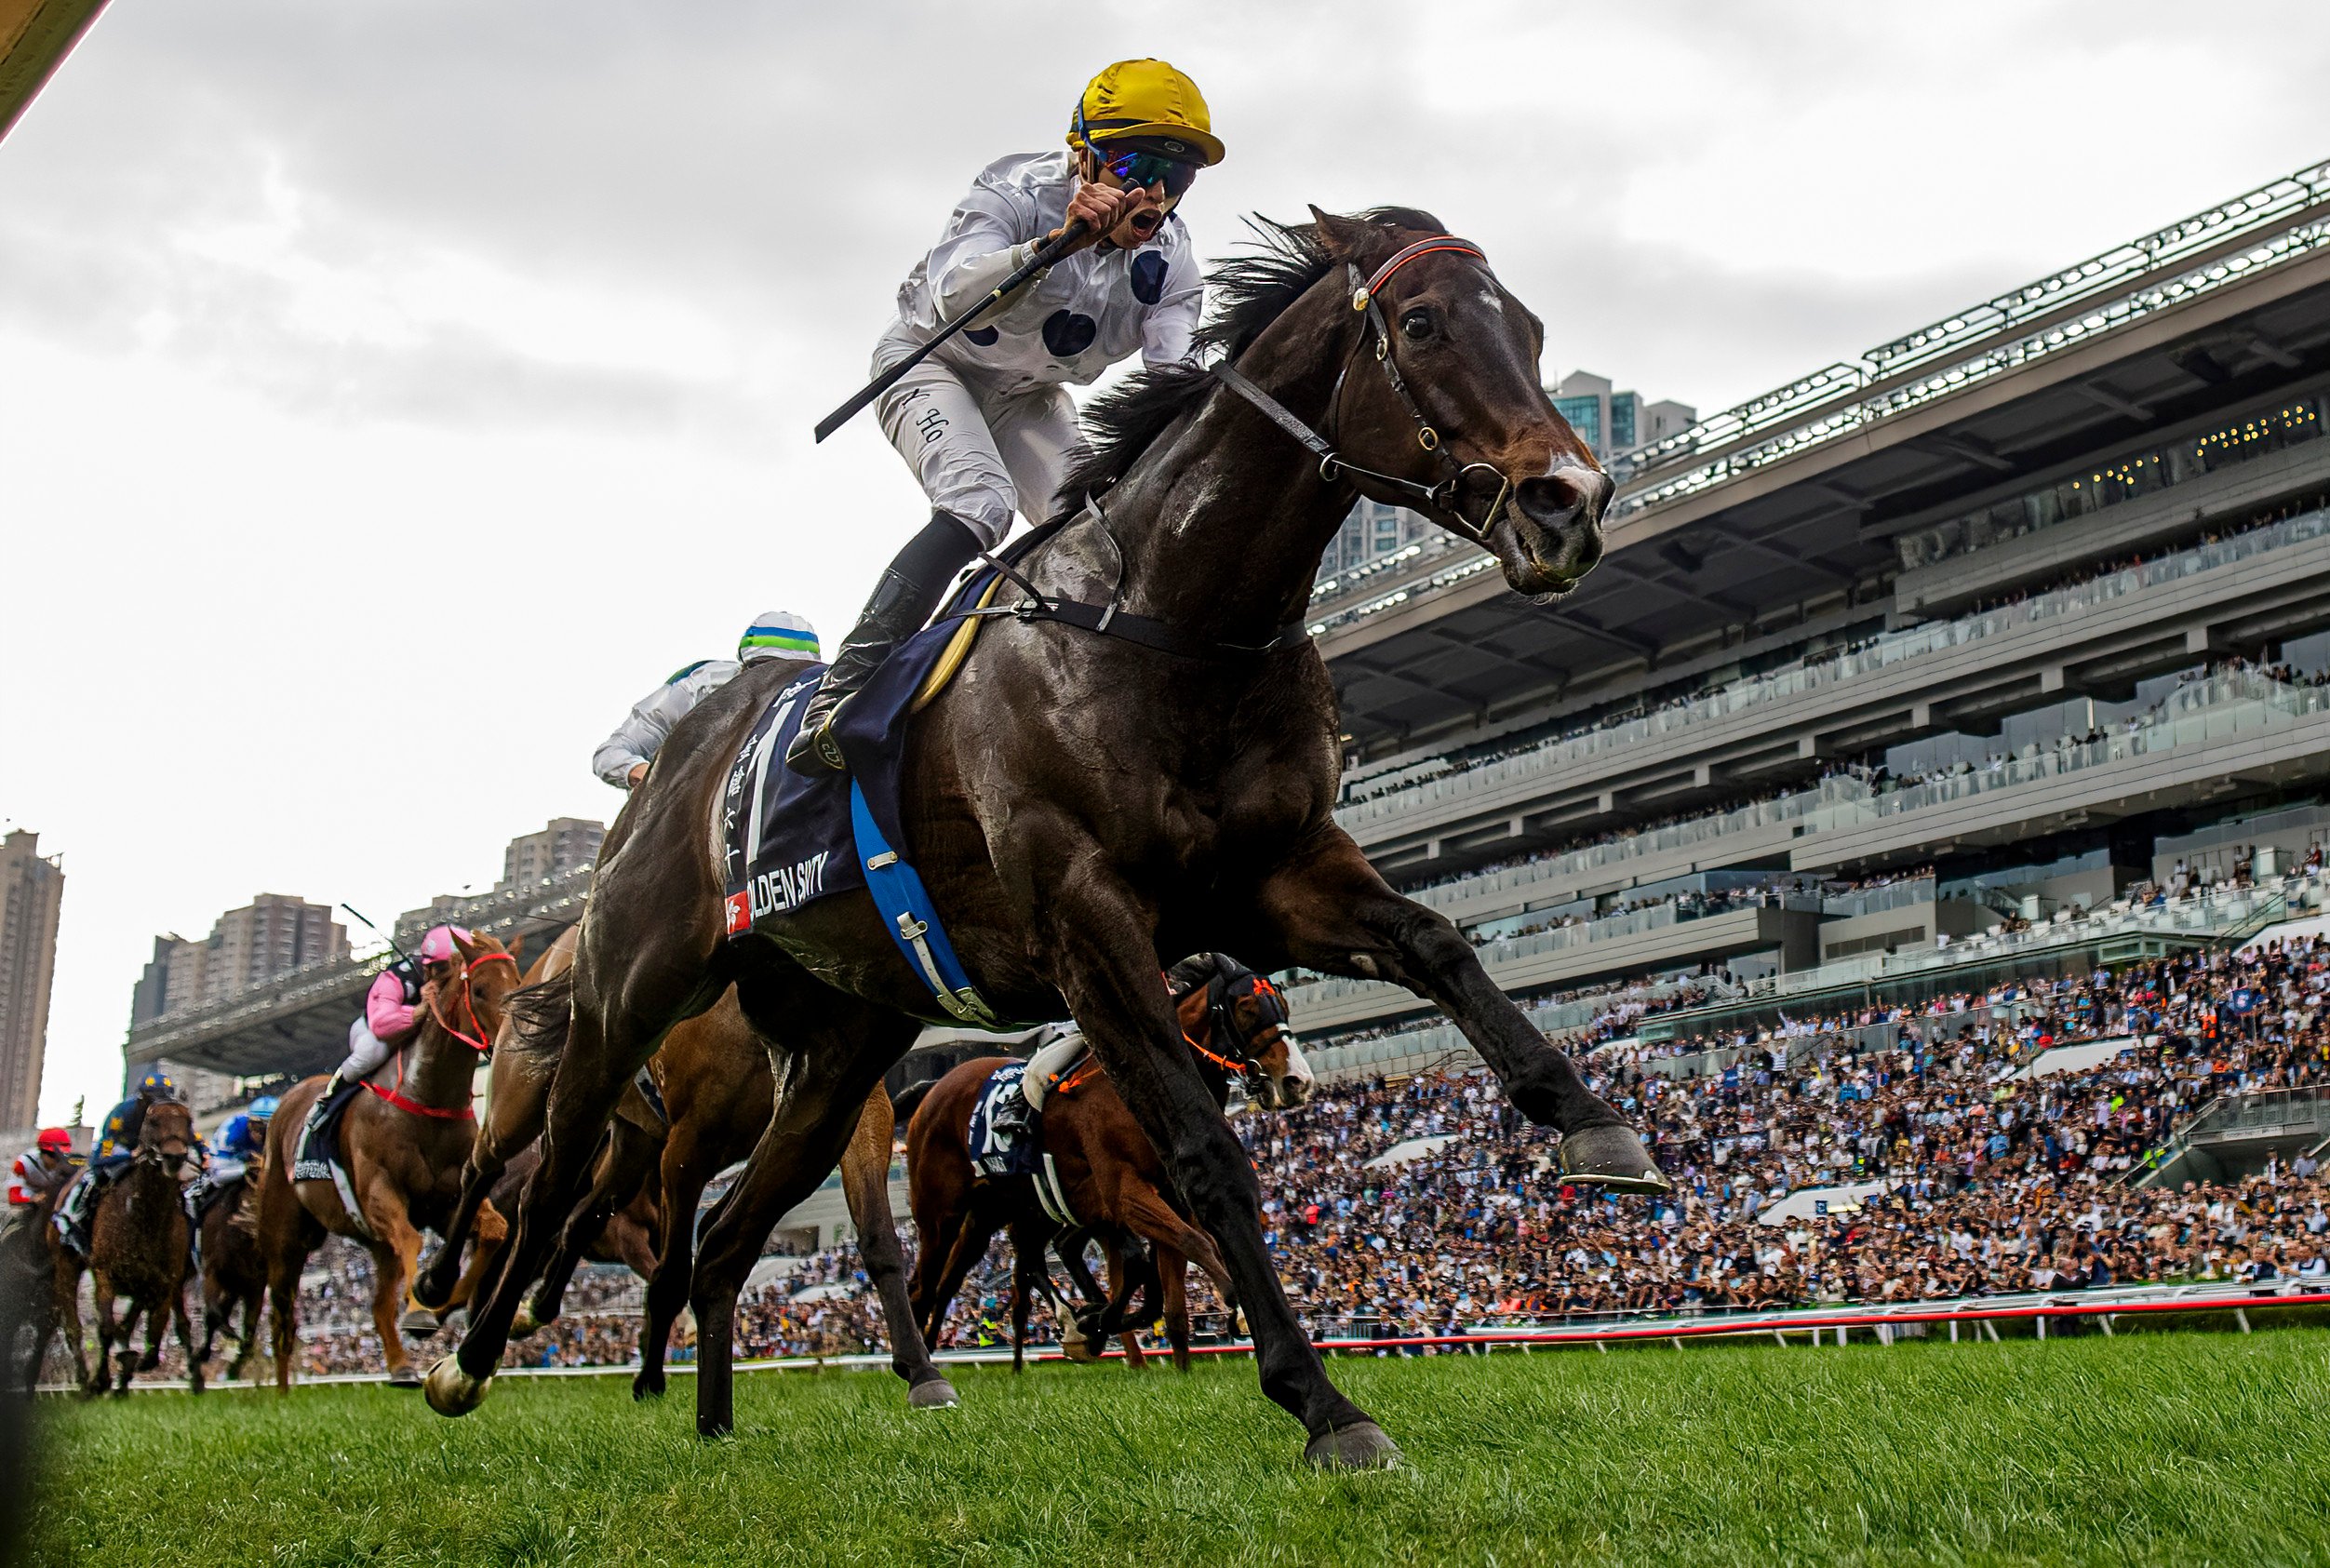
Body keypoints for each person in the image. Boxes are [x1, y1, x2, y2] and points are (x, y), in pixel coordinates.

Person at [787, 58, 1224, 775]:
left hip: (1028, 396)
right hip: (934, 362)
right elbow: (954, 293)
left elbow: (1171, 388)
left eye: (1177, 179)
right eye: (1139, 164)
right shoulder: (1015, 189)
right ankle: (841, 694)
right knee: (979, 502)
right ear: (1082, 151)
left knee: (1094, 527)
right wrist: (1056, 245)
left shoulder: (1174, 267)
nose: (1154, 194)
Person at [591, 610, 823, 790]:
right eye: (763, 669)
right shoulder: (697, 686)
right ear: (743, 666)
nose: (773, 682)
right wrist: (651, 778)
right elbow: (611, 754)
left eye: (791, 676)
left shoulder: (815, 699)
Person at [312, 925, 474, 1116]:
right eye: (446, 967)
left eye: (461, 966)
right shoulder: (396, 978)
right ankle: (329, 1098)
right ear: (428, 966)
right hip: (374, 1032)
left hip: (417, 1039)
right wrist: (419, 1011)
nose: (453, 975)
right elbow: (381, 1025)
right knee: (372, 1053)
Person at [53, 1070, 190, 1258]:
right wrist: (129, 1154)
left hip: (151, 1156)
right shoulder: (124, 1112)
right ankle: (74, 1218)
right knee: (93, 1179)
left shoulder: (170, 1114)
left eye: (163, 1097)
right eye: (152, 1099)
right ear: (142, 1097)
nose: (157, 1103)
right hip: (118, 1152)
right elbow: (108, 1144)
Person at [4, 1127, 81, 1240]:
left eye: (61, 1156)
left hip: (51, 1198)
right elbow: (13, 1198)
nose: (57, 1160)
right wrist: (33, 1199)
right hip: (28, 1196)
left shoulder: (67, 1166)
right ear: (42, 1152)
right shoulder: (23, 1164)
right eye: (53, 1156)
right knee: (20, 1215)